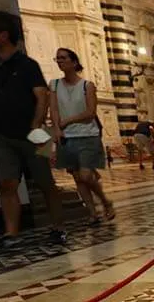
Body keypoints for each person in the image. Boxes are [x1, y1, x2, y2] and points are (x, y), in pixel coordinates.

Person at [0, 13, 66, 248]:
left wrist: (36, 126)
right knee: (6, 184)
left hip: (34, 133)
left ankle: (58, 227)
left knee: (45, 182)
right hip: (2, 134)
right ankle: (11, 233)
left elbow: (41, 96)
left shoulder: (27, 65)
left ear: (3, 35)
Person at [48, 47, 114, 226]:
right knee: (77, 178)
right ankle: (92, 213)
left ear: (74, 62)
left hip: (87, 135)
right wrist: (56, 128)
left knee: (85, 175)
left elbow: (90, 112)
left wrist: (67, 121)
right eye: (57, 59)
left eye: (63, 58)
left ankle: (105, 201)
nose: (60, 61)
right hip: (67, 137)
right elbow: (53, 108)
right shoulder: (53, 85)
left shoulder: (87, 86)